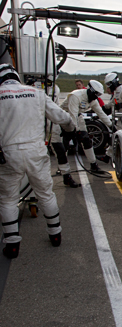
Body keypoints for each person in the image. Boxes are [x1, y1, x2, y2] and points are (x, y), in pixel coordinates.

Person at [0, 64, 76, 258]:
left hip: (8, 154)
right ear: (17, 77)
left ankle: (12, 244)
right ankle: (55, 234)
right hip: (36, 151)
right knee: (46, 194)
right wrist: (70, 127)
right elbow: (61, 116)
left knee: (8, 199)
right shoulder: (35, 93)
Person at [60, 80, 112, 174]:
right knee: (64, 143)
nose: (96, 97)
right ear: (90, 91)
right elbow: (72, 115)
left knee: (86, 140)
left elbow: (101, 114)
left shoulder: (93, 100)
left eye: (98, 95)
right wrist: (75, 131)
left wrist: (111, 126)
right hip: (64, 116)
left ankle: (93, 165)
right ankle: (63, 168)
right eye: (96, 94)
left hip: (77, 116)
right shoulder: (75, 96)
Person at [97, 73, 122, 163]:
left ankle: (108, 156)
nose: (108, 87)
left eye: (108, 84)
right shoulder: (117, 91)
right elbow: (111, 103)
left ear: (113, 82)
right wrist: (102, 108)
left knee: (116, 136)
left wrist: (121, 105)